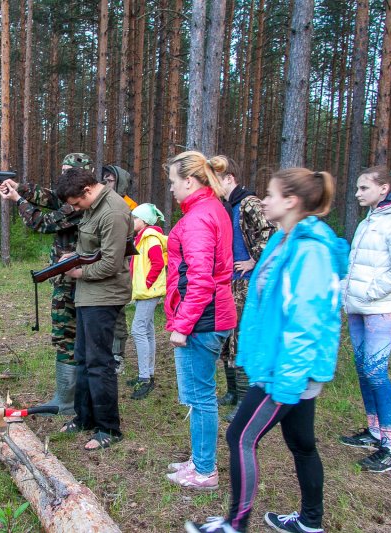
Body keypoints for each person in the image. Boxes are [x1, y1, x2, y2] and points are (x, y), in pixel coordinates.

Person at [185, 167, 349, 533]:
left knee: (239, 436)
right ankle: (310, 523)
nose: (264, 201)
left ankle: (234, 525)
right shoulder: (283, 241)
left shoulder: (310, 251)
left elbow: (306, 322)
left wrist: (286, 380)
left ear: (291, 201)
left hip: (287, 369)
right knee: (302, 443)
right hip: (284, 364)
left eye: (271, 195)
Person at [339, 166, 391, 473]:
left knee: (375, 372)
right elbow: (357, 264)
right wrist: (347, 291)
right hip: (359, 306)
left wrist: (370, 291)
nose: (357, 193)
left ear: (384, 188)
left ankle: (390, 449)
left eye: (364, 188)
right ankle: (375, 432)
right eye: (357, 188)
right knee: (364, 370)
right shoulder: (372, 218)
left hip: (380, 309)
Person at [0, 153, 94, 416]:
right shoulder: (77, 197)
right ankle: (70, 397)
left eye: (68, 171)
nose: (63, 175)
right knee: (70, 336)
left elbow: (42, 223)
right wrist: (20, 187)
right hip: (69, 276)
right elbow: (50, 197)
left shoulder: (79, 205)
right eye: (62, 170)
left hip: (74, 279)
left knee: (66, 336)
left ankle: (67, 401)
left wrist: (17, 200)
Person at [164, 151, 236, 490]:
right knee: (200, 395)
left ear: (190, 182)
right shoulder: (209, 209)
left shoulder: (198, 218)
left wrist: (182, 325)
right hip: (210, 316)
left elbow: (200, 279)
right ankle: (199, 459)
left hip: (203, 320)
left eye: (173, 182)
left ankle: (205, 470)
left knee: (200, 397)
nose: (171, 189)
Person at [55, 166, 134, 451]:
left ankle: (109, 428)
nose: (76, 209)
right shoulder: (93, 207)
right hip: (88, 295)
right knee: (83, 358)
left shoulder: (113, 211)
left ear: (87, 190)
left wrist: (78, 272)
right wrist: (73, 256)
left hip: (105, 296)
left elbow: (111, 263)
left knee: (100, 363)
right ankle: (85, 417)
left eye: (77, 203)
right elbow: (93, 248)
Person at [218, 157, 276, 423]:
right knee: (227, 337)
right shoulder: (227, 205)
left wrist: (255, 259)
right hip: (229, 280)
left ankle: (244, 399)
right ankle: (232, 391)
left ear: (229, 178)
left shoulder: (249, 202)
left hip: (246, 281)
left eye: (217, 179)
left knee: (240, 337)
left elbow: (269, 232)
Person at [127, 203, 167, 400]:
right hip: (145, 292)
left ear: (144, 221)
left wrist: (148, 283)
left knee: (138, 329)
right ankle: (148, 374)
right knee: (148, 331)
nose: (132, 221)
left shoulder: (150, 238)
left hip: (149, 292)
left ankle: (145, 377)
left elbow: (158, 263)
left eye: (135, 218)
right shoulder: (142, 238)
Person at [101, 164, 138, 373]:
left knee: (118, 313)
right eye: (104, 179)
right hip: (100, 264)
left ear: (120, 183)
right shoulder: (100, 203)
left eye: (111, 180)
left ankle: (117, 355)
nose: (106, 183)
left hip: (121, 267)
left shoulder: (130, 207)